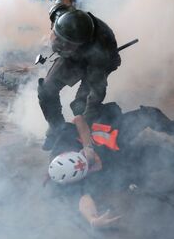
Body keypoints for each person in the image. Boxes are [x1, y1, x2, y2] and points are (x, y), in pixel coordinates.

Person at [47, 102, 174, 228]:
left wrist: (88, 146)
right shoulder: (72, 183)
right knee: (158, 153)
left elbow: (79, 120)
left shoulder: (62, 144)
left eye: (88, 162)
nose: (93, 164)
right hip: (119, 159)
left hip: (113, 136)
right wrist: (93, 220)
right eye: (89, 167)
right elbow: (83, 202)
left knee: (148, 114)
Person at [38, 8, 122, 151]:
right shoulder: (62, 15)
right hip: (73, 54)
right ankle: (57, 130)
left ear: (80, 43)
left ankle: (87, 131)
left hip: (98, 61)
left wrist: (84, 129)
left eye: (65, 42)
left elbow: (96, 93)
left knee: (80, 105)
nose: (58, 44)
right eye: (58, 37)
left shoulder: (101, 52)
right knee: (47, 90)